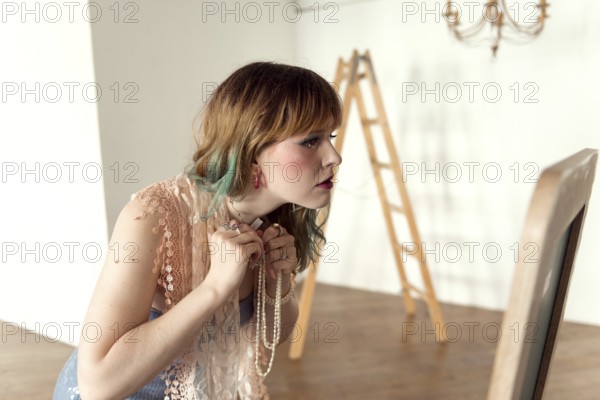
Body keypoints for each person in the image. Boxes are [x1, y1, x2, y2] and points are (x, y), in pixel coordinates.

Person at [53, 61, 343, 399]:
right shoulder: (153, 215)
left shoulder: (277, 216)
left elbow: (277, 335)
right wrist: (215, 287)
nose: (334, 156)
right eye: (311, 140)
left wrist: (277, 286)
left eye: (331, 137)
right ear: (250, 148)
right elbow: (98, 384)